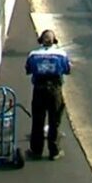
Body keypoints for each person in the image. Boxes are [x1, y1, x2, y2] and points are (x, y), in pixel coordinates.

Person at [25, 29, 70, 160]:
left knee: (38, 121)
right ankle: (54, 151)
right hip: (55, 90)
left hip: (39, 90)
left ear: (41, 40)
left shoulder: (33, 55)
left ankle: (36, 150)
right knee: (54, 121)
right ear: (54, 41)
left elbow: (28, 70)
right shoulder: (61, 54)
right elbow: (67, 70)